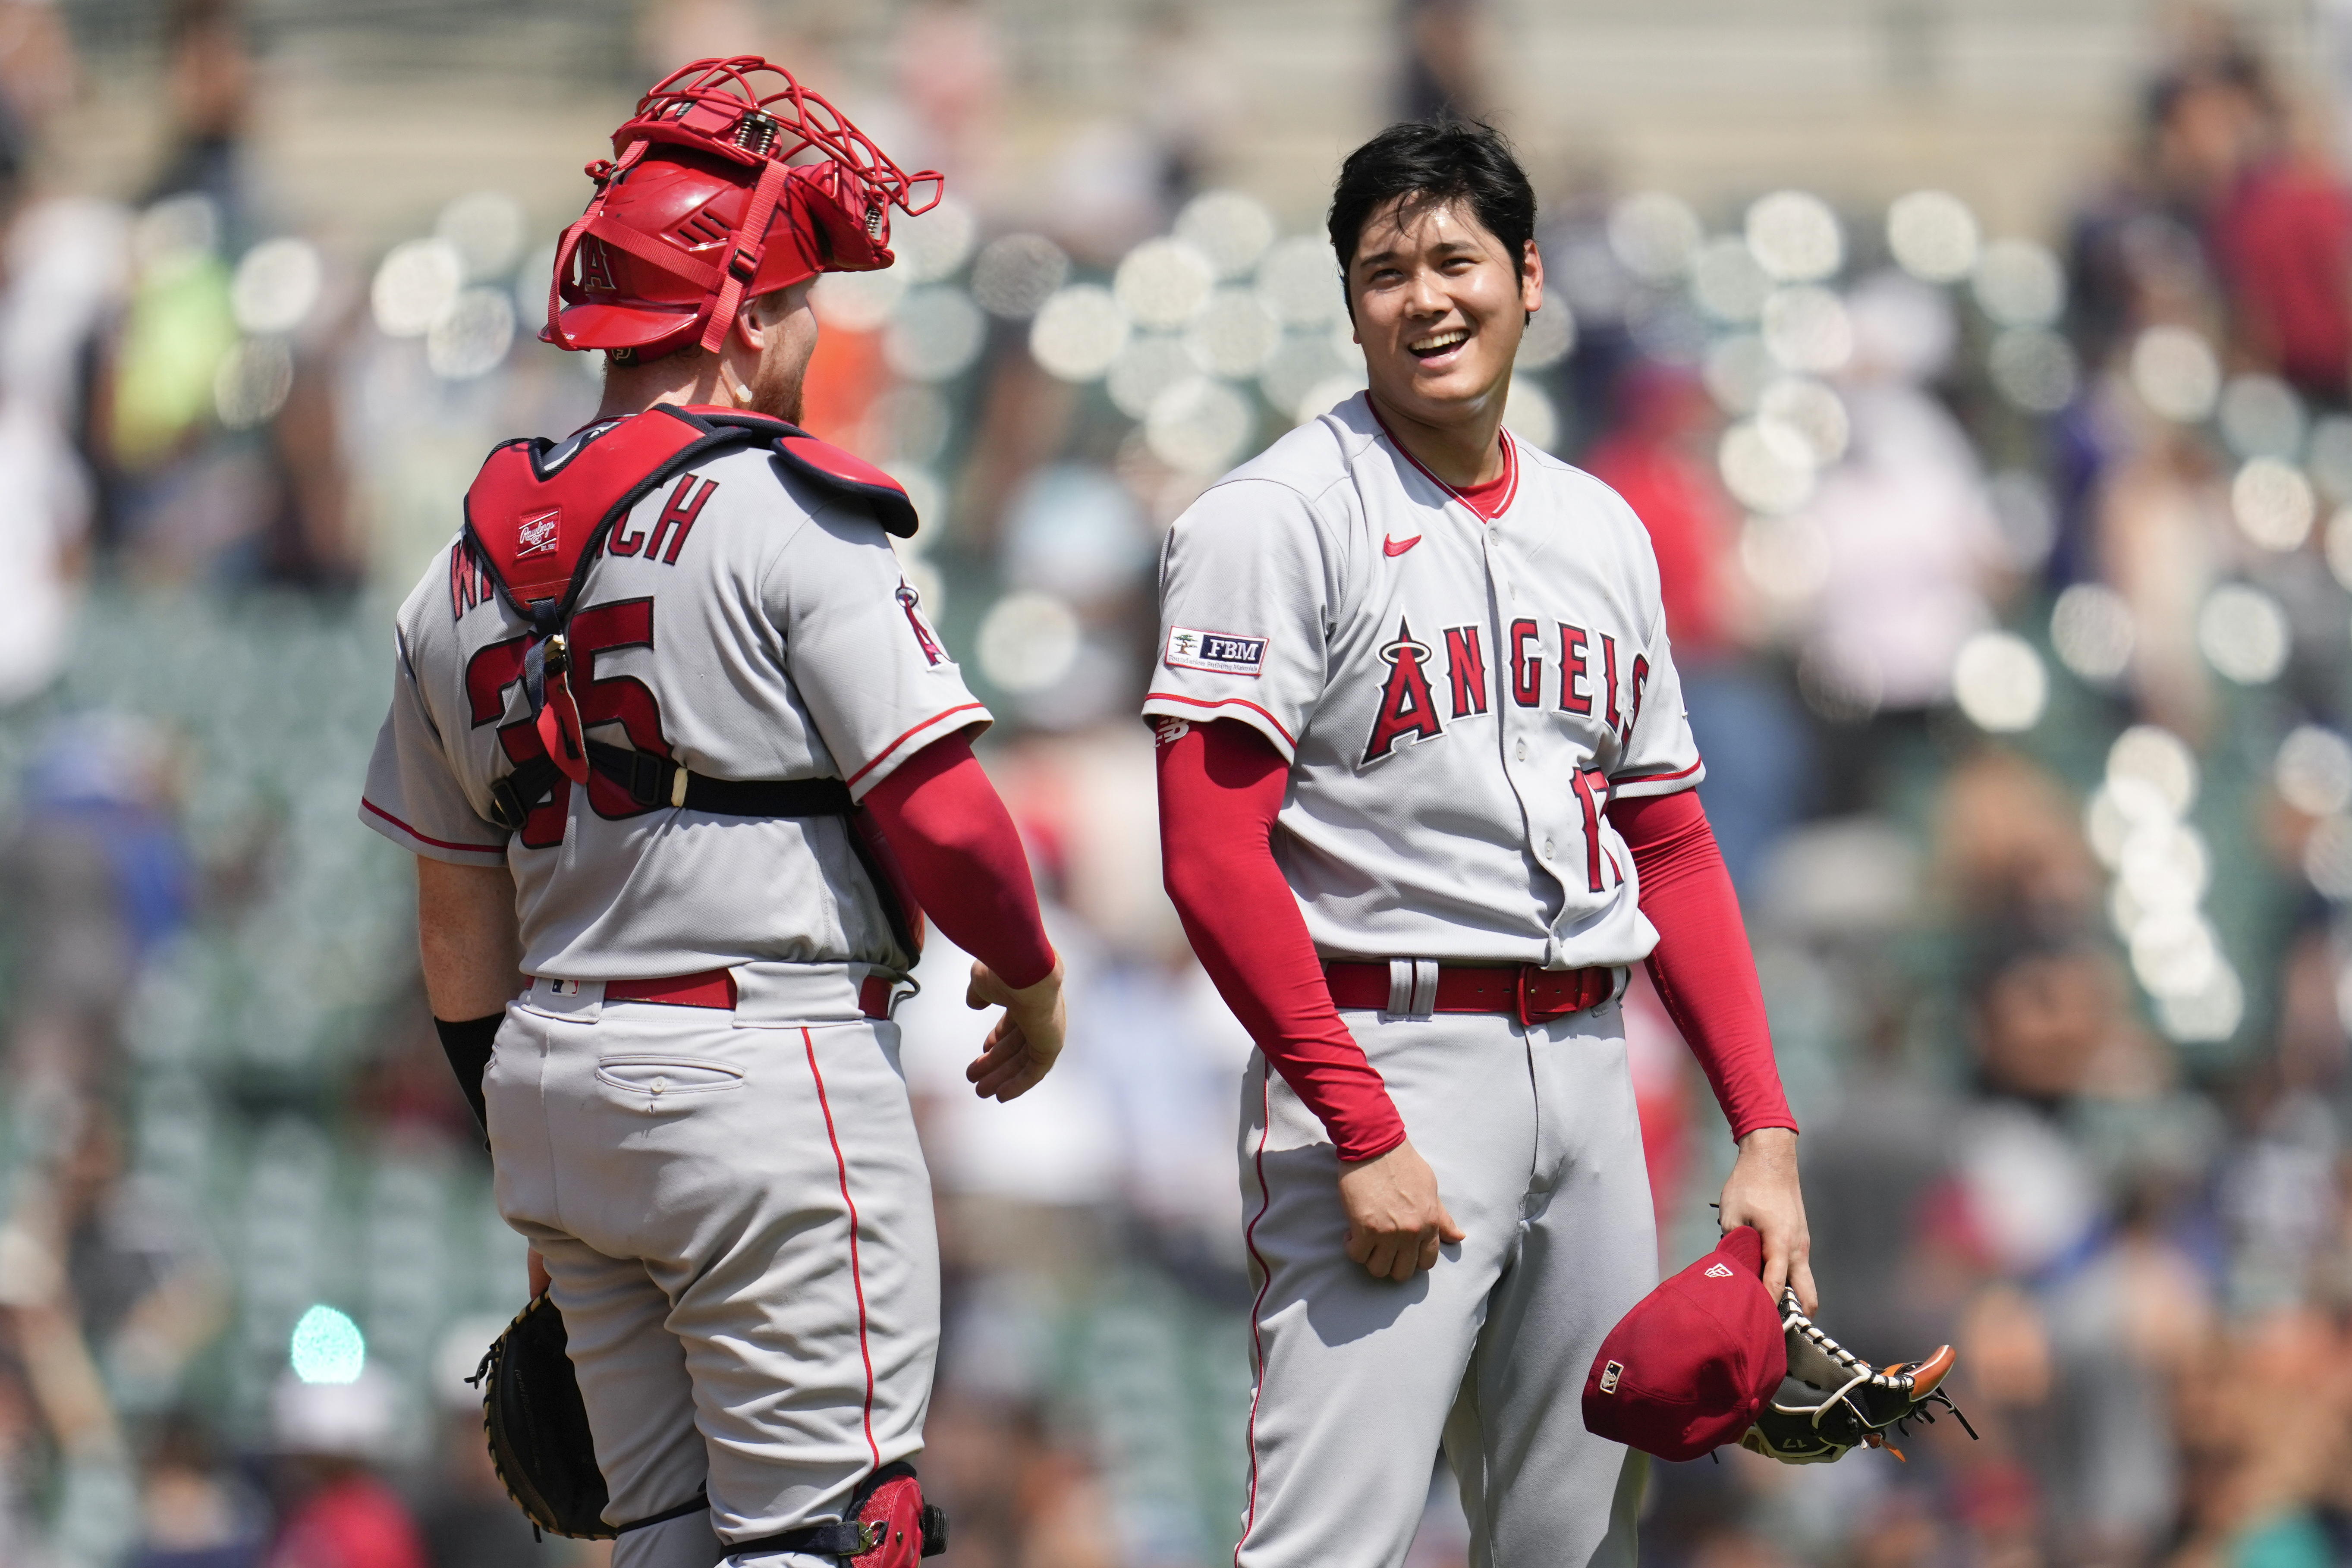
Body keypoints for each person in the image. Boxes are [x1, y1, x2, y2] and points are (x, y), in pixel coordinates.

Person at [356, 57, 1065, 1568]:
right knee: (832, 1533)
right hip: (762, 1069)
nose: (814, 327)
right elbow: (943, 816)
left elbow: (452, 916)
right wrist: (1032, 972)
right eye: (800, 299)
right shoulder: (781, 505)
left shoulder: (454, 572)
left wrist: (530, 1148)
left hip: (557, 1090)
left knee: (672, 1539)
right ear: (737, 317)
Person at [1147, 121, 1810, 1568]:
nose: (1423, 298)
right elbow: (1208, 856)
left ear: (1527, 276)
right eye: (1382, 271)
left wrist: (1761, 1126)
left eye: (1454, 259)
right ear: (1347, 303)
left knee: (1574, 1544)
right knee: (1329, 1545)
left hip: (1584, 1072)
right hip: (1387, 1062)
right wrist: (1358, 1124)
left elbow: (1674, 846)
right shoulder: (1272, 517)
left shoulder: (1601, 526)